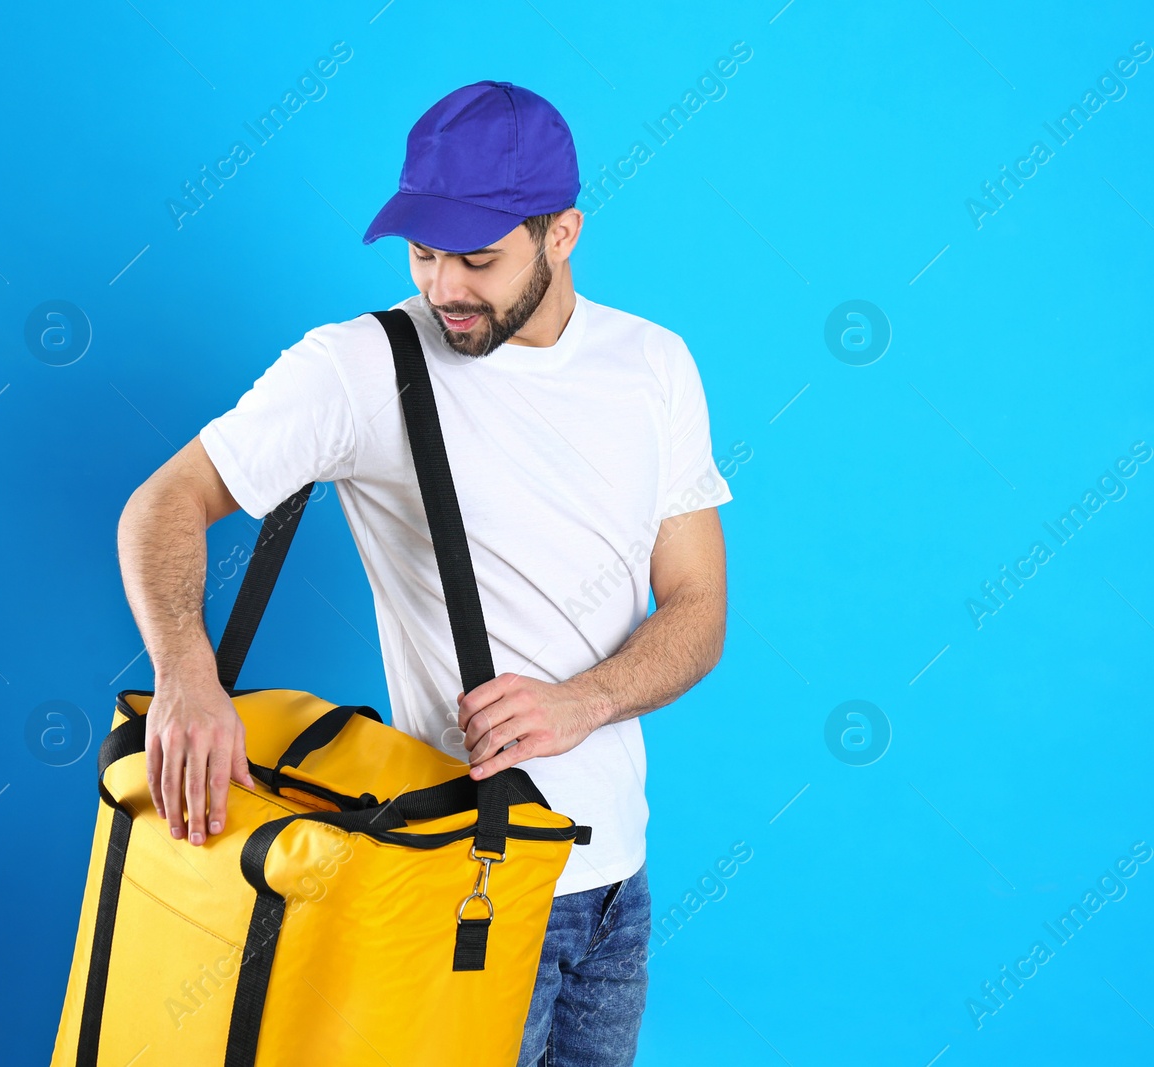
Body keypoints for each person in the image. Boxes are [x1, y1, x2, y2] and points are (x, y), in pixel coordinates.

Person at [115, 79, 733, 1067]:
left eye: (477, 257)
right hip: (466, 877)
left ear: (563, 232)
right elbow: (164, 502)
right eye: (424, 250)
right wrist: (186, 673)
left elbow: (698, 604)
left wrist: (587, 700)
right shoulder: (358, 367)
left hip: (617, 884)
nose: (445, 283)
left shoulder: (654, 366)